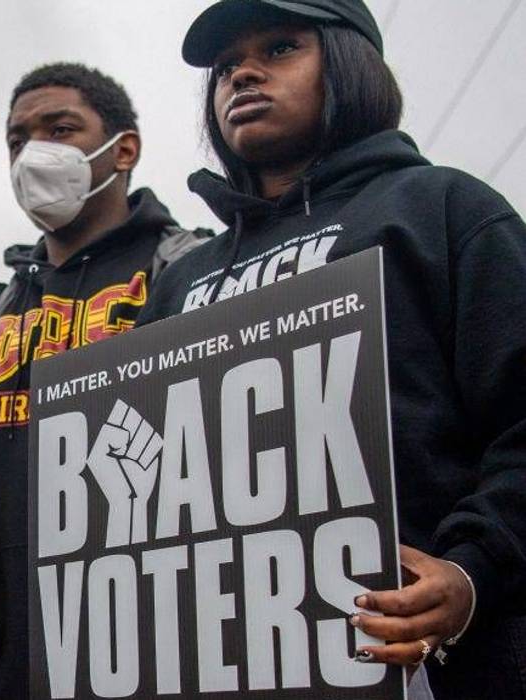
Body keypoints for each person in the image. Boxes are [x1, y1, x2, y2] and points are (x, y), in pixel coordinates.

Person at [138, 1, 526, 696]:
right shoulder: (182, 281)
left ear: (350, 64)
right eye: (226, 66)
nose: (244, 74)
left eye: (280, 47)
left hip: (421, 665)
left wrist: (472, 570)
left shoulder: (443, 210)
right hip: (222, 660)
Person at [0, 62, 211, 699]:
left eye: (61, 129)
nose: (33, 154)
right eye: (18, 140)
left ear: (123, 148)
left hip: (133, 645)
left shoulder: (186, 271)